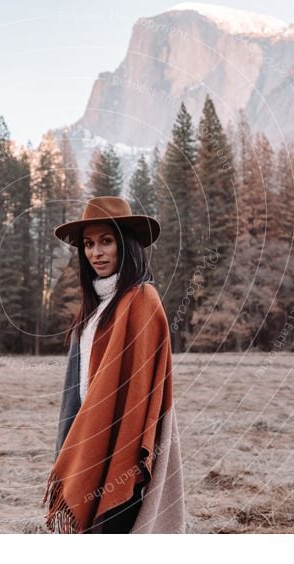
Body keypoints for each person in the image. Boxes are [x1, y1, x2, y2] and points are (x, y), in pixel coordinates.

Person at [42, 196, 185, 534]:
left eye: (106, 241)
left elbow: (140, 392)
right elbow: (78, 386)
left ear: (126, 245)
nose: (97, 252)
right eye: (89, 244)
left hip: (125, 443)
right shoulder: (93, 309)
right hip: (89, 433)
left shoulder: (141, 301)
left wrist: (122, 449)